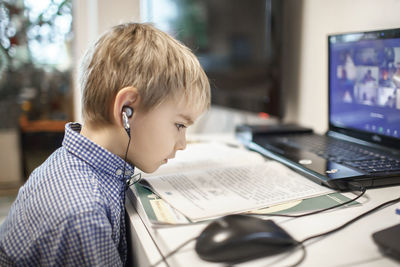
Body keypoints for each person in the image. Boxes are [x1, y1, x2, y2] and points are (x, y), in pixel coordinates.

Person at [0, 23, 210, 266]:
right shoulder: (83, 216)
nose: (183, 144)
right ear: (126, 110)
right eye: (180, 125)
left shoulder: (73, 164)